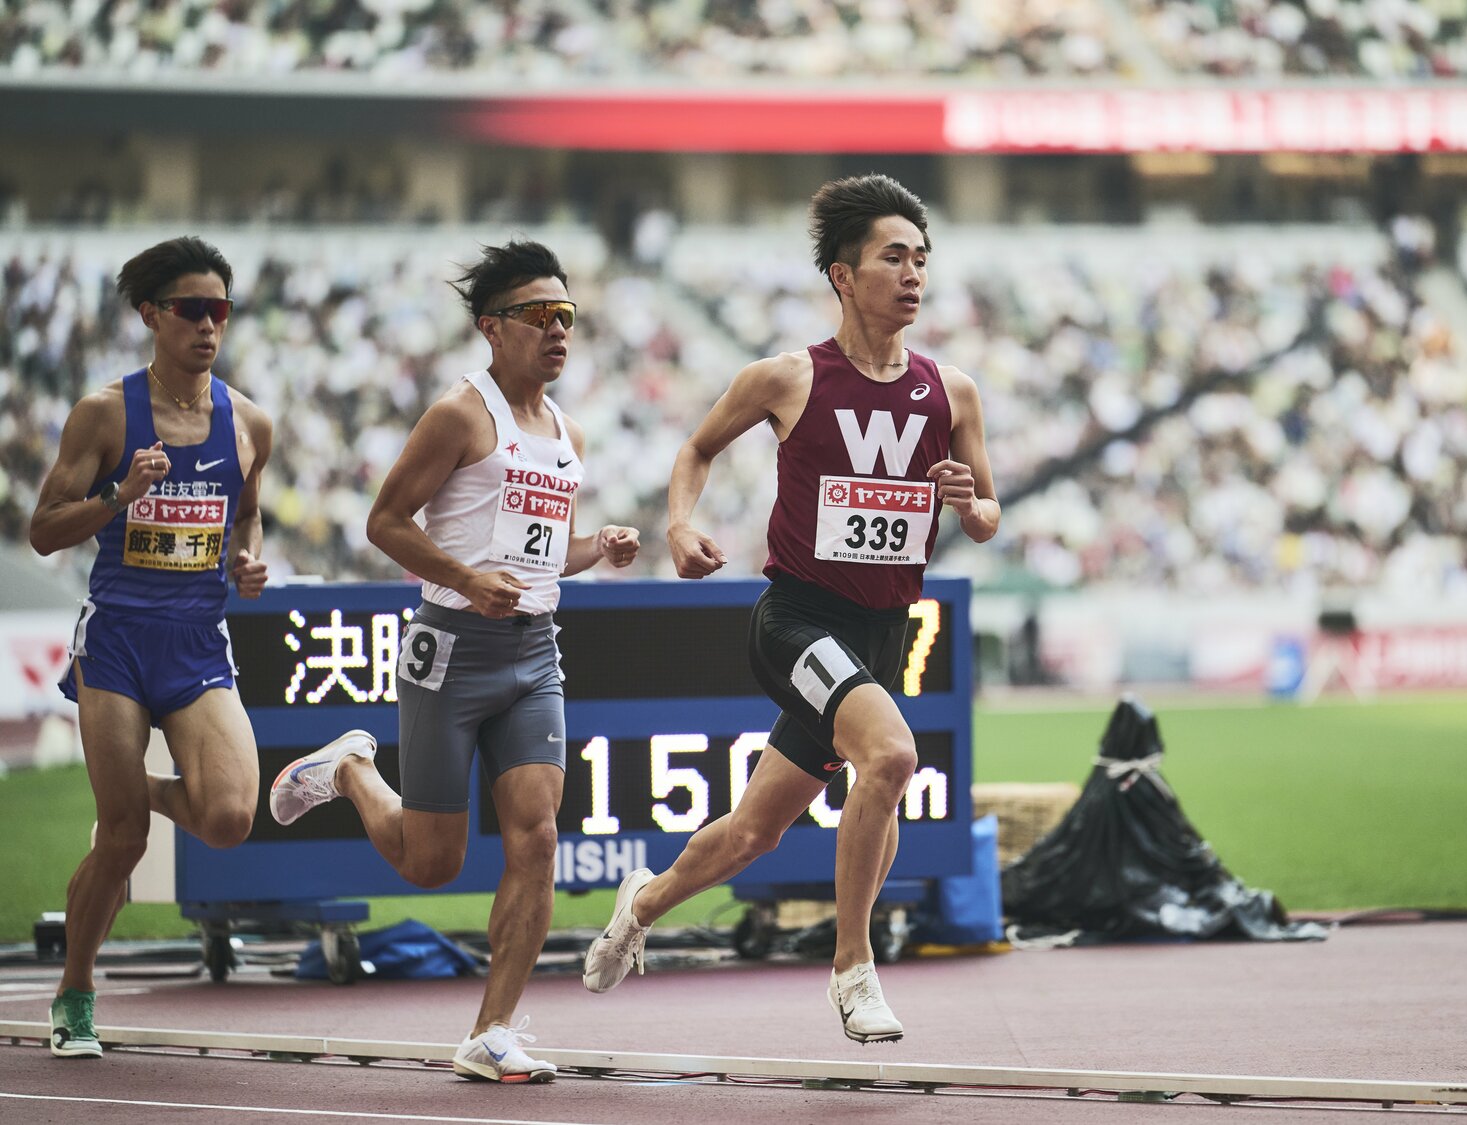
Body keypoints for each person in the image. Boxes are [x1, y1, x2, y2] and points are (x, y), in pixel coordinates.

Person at [583, 174, 1000, 1044]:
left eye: (923, 258)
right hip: (800, 620)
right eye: (895, 257)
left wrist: (967, 500)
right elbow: (696, 448)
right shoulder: (786, 378)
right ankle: (852, 968)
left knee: (752, 834)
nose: (915, 273)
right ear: (844, 276)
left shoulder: (950, 391)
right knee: (890, 757)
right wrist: (680, 523)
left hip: (885, 632)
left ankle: (640, 906)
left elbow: (989, 515)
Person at [269, 240, 639, 1084]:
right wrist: (467, 580)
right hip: (452, 649)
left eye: (567, 315)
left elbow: (540, 556)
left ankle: (493, 1029)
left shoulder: (567, 431)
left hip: (535, 652)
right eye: (539, 316)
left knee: (537, 837)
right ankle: (353, 769)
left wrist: (598, 547)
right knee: (433, 860)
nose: (558, 329)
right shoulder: (459, 415)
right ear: (491, 327)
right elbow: (386, 521)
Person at [29, 236, 273, 1059]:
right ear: (151, 316)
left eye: (221, 310)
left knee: (231, 816)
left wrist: (247, 558)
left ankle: (146, 787)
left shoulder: (250, 423)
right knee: (122, 835)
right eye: (192, 310)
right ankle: (75, 990)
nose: (210, 325)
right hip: (121, 639)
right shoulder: (105, 413)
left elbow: (247, 514)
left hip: (198, 639)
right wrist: (117, 495)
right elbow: (40, 530)